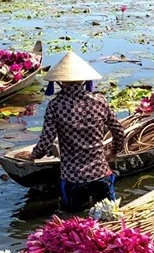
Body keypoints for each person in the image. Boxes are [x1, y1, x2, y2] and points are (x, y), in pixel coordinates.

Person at [18, 51, 126, 212]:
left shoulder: (56, 106)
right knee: (109, 216)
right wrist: (113, 153)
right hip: (101, 174)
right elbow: (119, 132)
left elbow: (46, 143)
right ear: (84, 79)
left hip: (73, 179)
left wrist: (33, 155)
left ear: (61, 82)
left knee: (74, 222)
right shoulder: (100, 101)